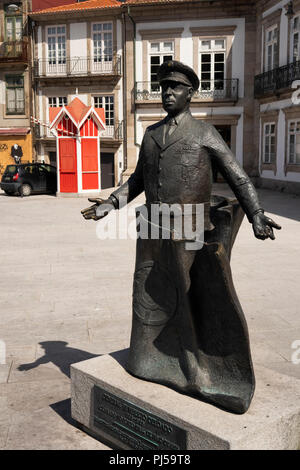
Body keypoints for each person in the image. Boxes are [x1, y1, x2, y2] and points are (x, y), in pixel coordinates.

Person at [81, 61, 281, 414]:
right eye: (163, 88)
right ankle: (149, 360)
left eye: (175, 88)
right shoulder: (152, 135)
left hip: (190, 231)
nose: (167, 93)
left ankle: (195, 368)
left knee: (187, 301)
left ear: (191, 94)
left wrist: (257, 214)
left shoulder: (204, 134)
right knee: (149, 296)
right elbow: (138, 181)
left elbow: (238, 176)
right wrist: (111, 203)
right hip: (152, 229)